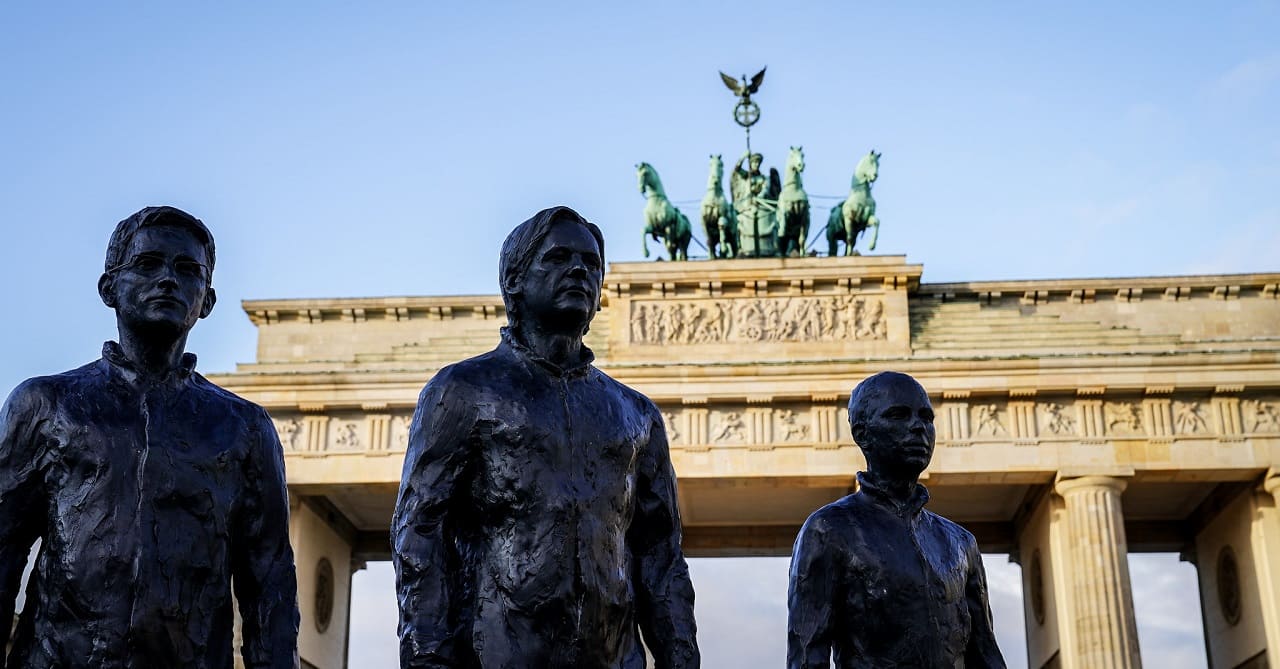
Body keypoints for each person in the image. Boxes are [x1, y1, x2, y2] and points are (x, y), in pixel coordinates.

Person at [393, 206, 699, 668]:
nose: (579, 269)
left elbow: (661, 558)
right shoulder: (463, 393)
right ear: (514, 281)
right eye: (558, 258)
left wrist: (681, 660)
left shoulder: (636, 414)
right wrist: (428, 658)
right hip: (498, 655)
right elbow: (418, 534)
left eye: (591, 263)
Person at [0, 206, 299, 668]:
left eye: (187, 270)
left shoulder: (244, 427)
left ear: (208, 299)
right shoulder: (45, 404)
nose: (167, 280)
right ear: (108, 288)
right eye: (147, 264)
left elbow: (270, 584)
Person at [787, 371, 1004, 668]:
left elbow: (985, 653)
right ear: (862, 434)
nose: (918, 427)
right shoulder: (829, 529)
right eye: (899, 415)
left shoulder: (960, 543)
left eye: (926, 417)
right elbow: (808, 656)